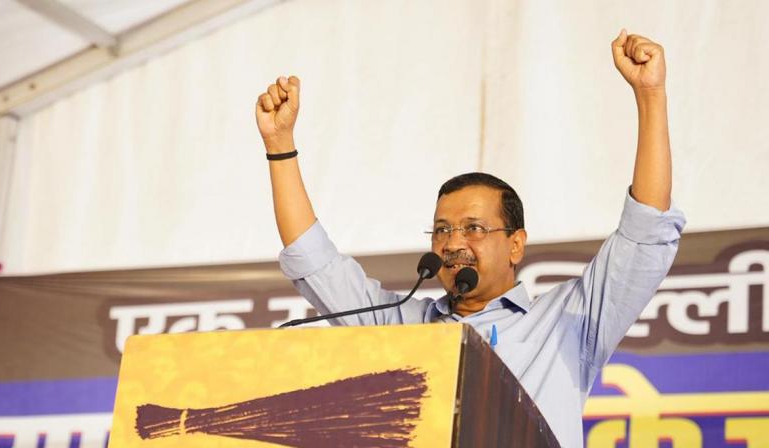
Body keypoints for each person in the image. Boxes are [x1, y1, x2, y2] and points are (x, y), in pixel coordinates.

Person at [254, 30, 685, 448]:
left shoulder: (569, 323)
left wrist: (650, 95)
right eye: (442, 230)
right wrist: (279, 144)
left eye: (474, 228)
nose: (453, 243)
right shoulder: (402, 326)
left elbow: (644, 231)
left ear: (516, 244)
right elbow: (315, 261)